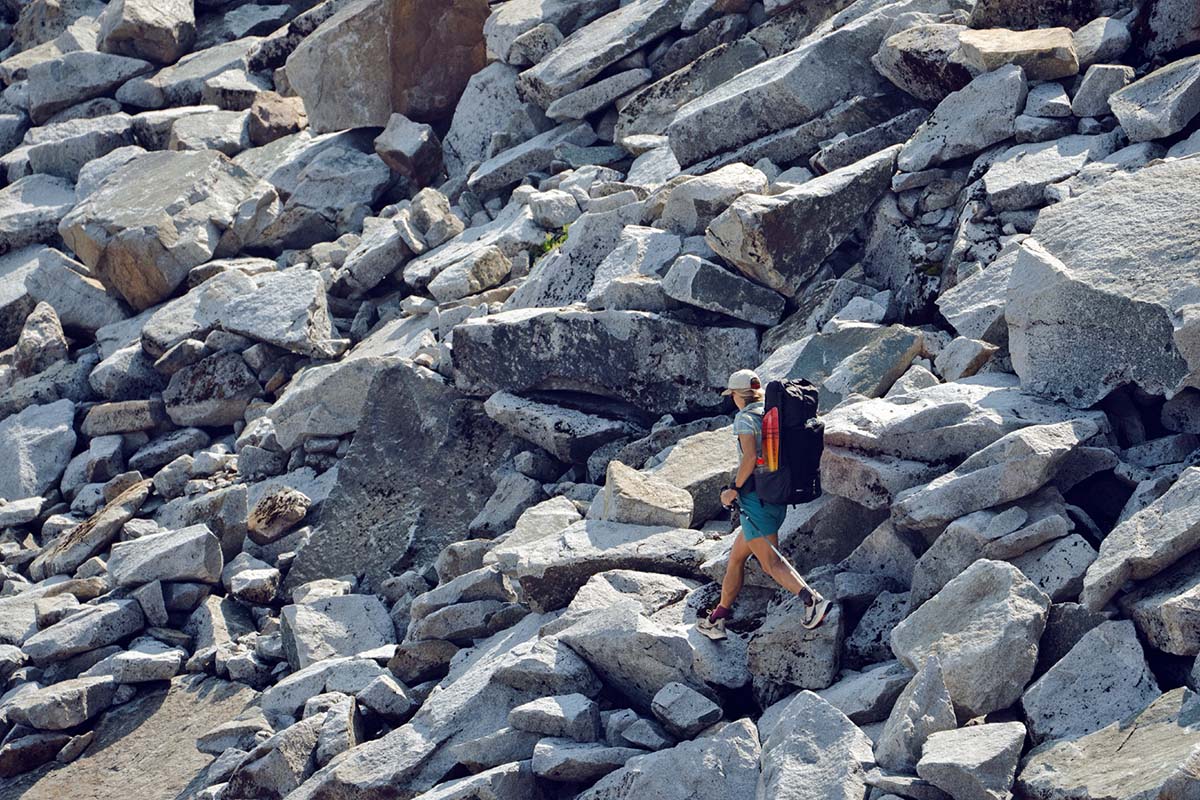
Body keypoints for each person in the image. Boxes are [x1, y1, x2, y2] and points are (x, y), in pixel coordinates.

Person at [697, 369, 830, 640]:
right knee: (736, 558)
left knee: (770, 562)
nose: (732, 399)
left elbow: (749, 459)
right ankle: (717, 619)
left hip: (755, 501)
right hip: (777, 494)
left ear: (737, 395)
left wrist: (732, 490)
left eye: (732, 394)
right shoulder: (772, 414)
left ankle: (812, 600)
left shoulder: (745, 419)